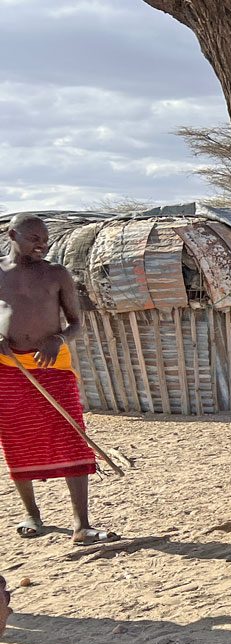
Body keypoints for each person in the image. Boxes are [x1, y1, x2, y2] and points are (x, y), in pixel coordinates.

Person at [0, 214, 110, 544]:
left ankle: (82, 524)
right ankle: (33, 515)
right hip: (9, 368)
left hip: (53, 366)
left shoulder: (56, 274)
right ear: (11, 234)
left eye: (44, 238)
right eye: (33, 237)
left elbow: (75, 323)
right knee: (18, 440)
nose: (41, 243)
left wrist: (57, 340)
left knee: (71, 434)